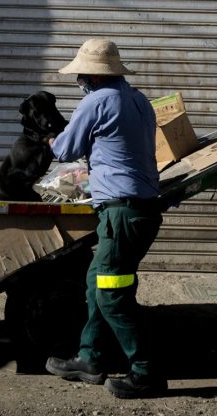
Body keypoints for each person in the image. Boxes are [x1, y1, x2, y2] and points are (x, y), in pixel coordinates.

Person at [44, 38, 167, 399]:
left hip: (120, 214)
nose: (78, 78)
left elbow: (67, 150)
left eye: (80, 73)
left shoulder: (95, 102)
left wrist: (52, 140)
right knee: (98, 281)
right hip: (140, 210)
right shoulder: (138, 99)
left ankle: (146, 371)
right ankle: (89, 358)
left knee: (112, 294)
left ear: (90, 75)